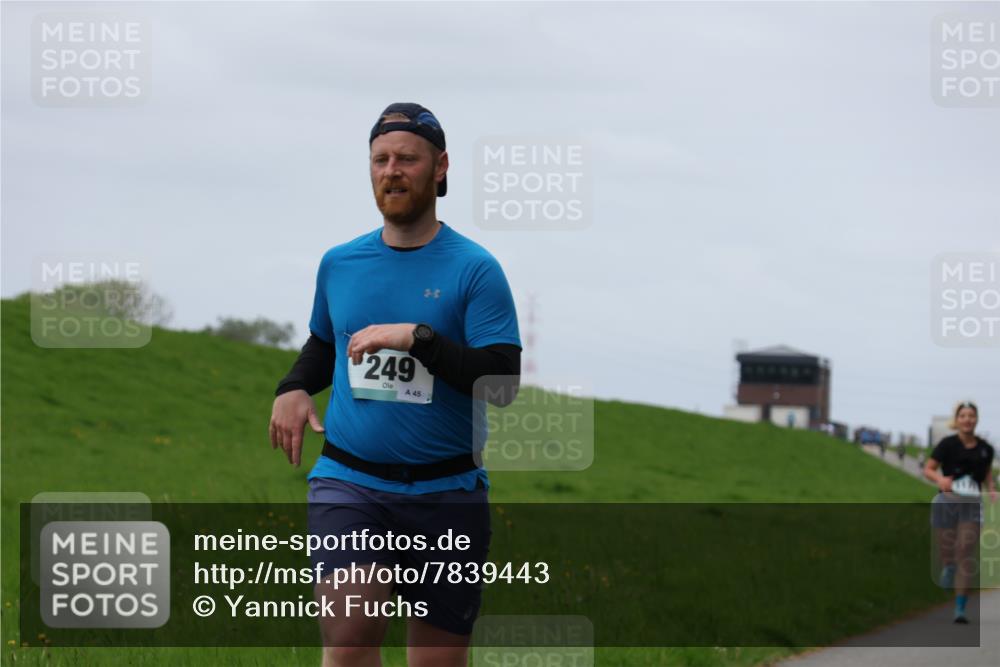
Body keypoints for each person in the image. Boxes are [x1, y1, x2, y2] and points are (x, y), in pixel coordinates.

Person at [269, 103, 521, 666]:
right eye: (380, 159)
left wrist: (420, 339)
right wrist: (293, 387)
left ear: (440, 166)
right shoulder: (340, 263)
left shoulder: (476, 270)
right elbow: (325, 343)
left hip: (447, 493)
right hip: (350, 483)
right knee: (351, 639)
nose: (391, 170)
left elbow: (502, 382)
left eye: (407, 158)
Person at [923, 401, 997, 624]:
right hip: (947, 501)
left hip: (972, 505)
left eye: (971, 416)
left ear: (976, 419)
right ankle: (948, 565)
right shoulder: (947, 445)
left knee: (965, 553)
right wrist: (940, 479)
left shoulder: (986, 448)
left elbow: (986, 474)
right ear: (957, 420)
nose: (967, 419)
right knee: (947, 550)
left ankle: (960, 608)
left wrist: (991, 490)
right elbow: (928, 468)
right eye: (963, 416)